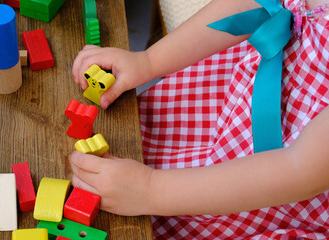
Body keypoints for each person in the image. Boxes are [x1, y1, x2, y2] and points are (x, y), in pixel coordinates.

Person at [70, 0, 329, 238]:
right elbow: (258, 3)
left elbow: (297, 169)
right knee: (125, 142)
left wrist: (150, 190)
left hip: (267, 186)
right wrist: (148, 61)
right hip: (234, 91)